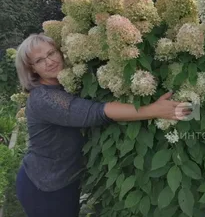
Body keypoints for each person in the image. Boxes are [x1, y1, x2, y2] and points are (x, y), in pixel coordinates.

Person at [14, 33, 191, 217]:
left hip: (64, 181)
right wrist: (154, 110)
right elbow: (93, 112)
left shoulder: (64, 82)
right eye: (40, 60)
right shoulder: (43, 98)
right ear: (32, 69)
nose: (49, 61)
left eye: (51, 53)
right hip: (44, 187)